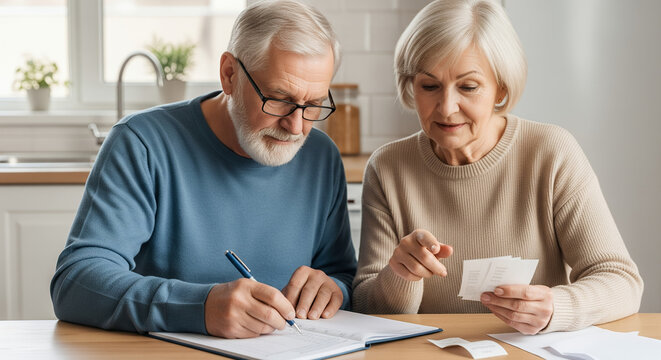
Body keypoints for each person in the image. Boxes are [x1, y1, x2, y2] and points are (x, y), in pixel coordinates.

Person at [51, 0, 356, 339]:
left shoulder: (321, 156)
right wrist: (200, 307)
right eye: (279, 99)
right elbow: (76, 282)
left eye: (313, 104)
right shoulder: (142, 142)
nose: (296, 127)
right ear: (229, 74)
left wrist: (334, 289)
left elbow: (341, 274)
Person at [352, 0, 643, 334]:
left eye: (468, 87)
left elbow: (621, 282)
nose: (447, 108)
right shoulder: (388, 168)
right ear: (410, 86)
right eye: (429, 86)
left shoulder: (549, 152)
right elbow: (365, 307)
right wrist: (399, 275)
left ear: (500, 89)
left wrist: (556, 307)